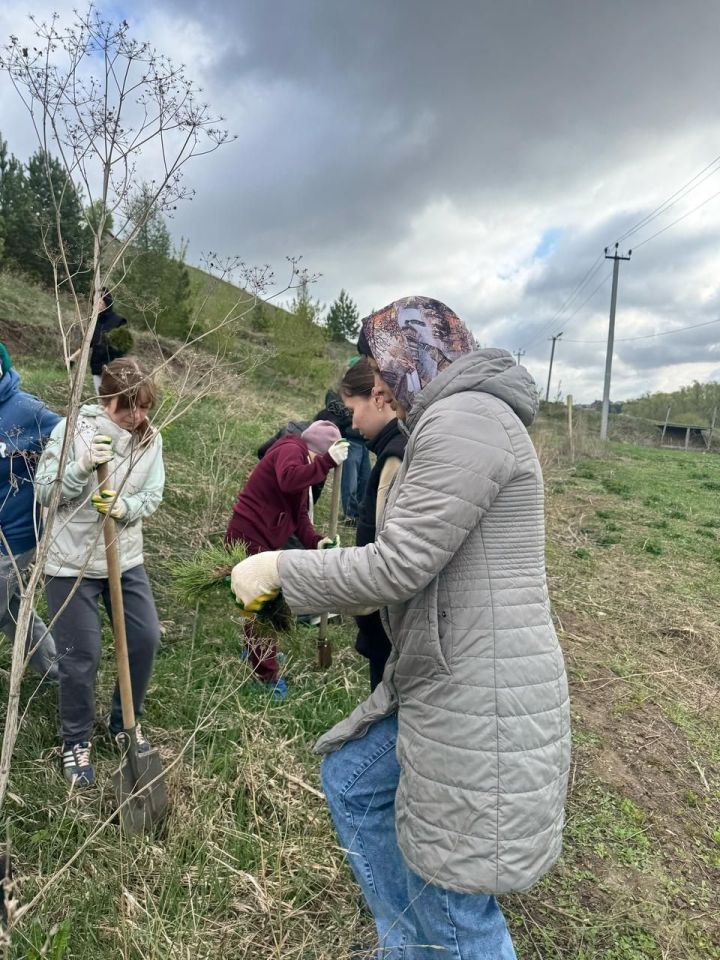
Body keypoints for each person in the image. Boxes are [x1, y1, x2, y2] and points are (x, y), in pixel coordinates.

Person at [230, 295, 571, 959]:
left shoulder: (463, 419)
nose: (378, 384)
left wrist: (281, 572)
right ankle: (402, 945)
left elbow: (400, 565)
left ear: (415, 357)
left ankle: (421, 944)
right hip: (447, 676)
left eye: (383, 366)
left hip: (476, 698)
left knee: (453, 897)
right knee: (354, 782)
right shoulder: (468, 418)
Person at [35, 358, 164, 789]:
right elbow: (44, 491)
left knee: (146, 637)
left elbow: (153, 493)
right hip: (70, 562)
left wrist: (125, 508)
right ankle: (75, 739)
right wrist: (80, 468)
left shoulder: (150, 440)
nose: (137, 417)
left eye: (145, 407)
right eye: (129, 407)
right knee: (80, 655)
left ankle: (124, 720)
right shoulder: (74, 431)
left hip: (123, 559)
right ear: (107, 398)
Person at [225, 421, 349, 694]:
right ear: (316, 451)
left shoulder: (304, 464)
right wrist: (327, 462)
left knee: (264, 602)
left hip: (267, 539)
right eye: (321, 463)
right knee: (263, 606)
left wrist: (317, 542)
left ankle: (256, 653)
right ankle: (265, 677)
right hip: (249, 535)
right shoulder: (291, 450)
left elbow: (299, 515)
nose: (321, 476)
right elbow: (288, 478)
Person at [337, 357, 406, 690]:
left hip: (391, 634)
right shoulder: (392, 452)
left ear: (378, 398)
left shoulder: (395, 459)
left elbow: (388, 558)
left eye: (353, 408)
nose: (352, 421)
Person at [0, 341, 60, 680]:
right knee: (9, 609)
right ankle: (55, 670)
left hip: (13, 536)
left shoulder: (27, 411)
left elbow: (72, 436)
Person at [325, 383, 371, 524]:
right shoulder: (339, 391)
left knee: (365, 479)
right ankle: (350, 516)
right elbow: (333, 407)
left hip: (365, 441)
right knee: (350, 479)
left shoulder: (367, 391)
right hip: (350, 439)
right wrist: (348, 420)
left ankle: (360, 515)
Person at [69, 289, 130, 393]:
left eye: (100, 302)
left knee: (112, 397)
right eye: (95, 302)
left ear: (107, 302)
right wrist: (72, 357)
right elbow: (87, 344)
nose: (96, 305)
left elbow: (123, 347)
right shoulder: (94, 322)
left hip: (113, 368)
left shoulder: (119, 321)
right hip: (97, 366)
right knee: (101, 399)